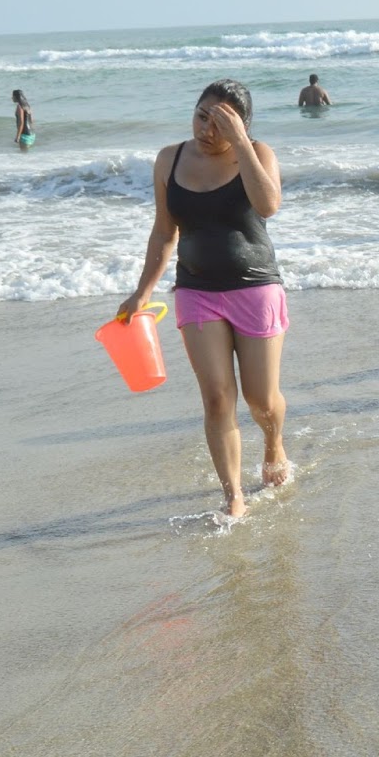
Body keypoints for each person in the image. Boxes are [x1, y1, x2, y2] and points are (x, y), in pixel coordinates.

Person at [115, 79, 290, 520]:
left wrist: (241, 144)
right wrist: (142, 291)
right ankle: (233, 495)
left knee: (260, 399)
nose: (206, 129)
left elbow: (268, 205)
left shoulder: (259, 153)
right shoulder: (169, 159)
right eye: (201, 116)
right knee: (216, 397)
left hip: (255, 288)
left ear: (241, 126)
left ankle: (273, 442)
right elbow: (164, 231)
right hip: (196, 291)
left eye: (220, 123)